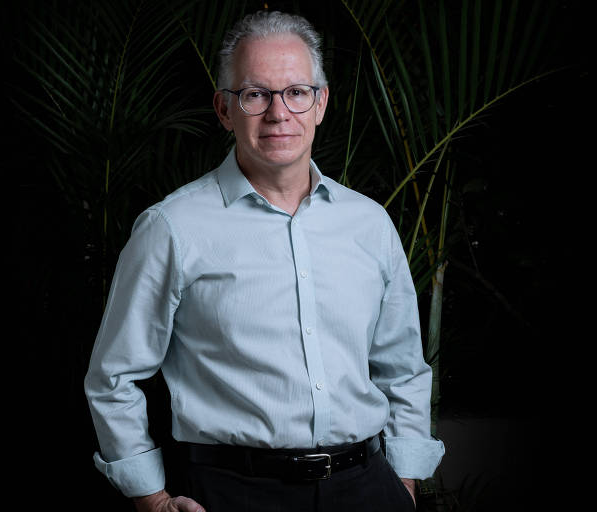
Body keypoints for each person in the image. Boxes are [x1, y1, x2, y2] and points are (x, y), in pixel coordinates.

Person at [85, 10, 444, 512]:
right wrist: (153, 498)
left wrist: (402, 482)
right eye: (255, 94)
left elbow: (402, 369)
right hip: (233, 493)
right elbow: (114, 376)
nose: (279, 113)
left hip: (366, 489)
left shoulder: (369, 224)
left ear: (320, 103)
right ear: (224, 109)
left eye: (297, 92)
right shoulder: (171, 228)